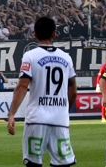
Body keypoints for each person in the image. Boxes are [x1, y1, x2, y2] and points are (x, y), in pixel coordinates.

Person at [7, 16, 77, 167]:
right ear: (54, 34)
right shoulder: (67, 58)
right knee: (63, 163)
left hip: (36, 119)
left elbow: (22, 86)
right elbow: (73, 89)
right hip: (59, 119)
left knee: (33, 163)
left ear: (35, 35)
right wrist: (64, 109)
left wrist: (12, 113)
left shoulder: (30, 56)